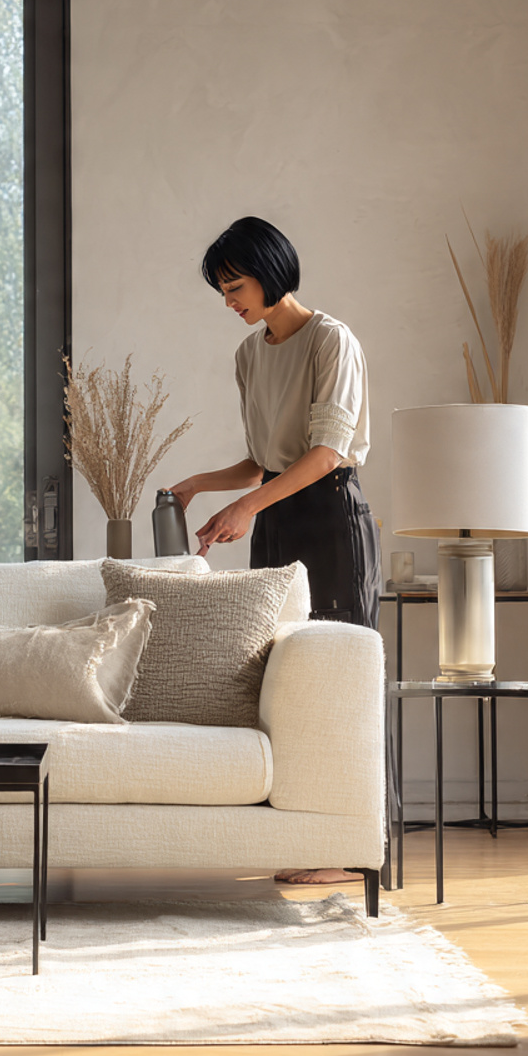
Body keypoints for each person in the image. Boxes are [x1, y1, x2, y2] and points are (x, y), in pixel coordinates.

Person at [170, 216, 380, 887]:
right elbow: (266, 461)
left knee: (343, 678)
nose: (230, 302)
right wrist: (203, 485)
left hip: (329, 516)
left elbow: (325, 454)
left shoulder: (331, 341)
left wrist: (247, 505)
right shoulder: (249, 355)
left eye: (236, 287)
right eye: (223, 292)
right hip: (278, 518)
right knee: (283, 678)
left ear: (270, 274)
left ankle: (359, 847)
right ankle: (304, 832)